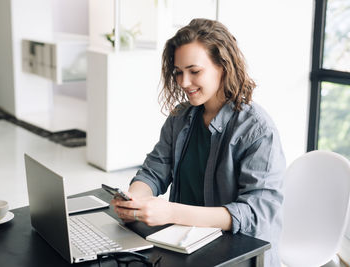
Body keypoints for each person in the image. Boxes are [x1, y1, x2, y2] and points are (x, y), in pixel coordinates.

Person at [111, 18, 286, 267]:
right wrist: (134, 201)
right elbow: (154, 171)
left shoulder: (256, 129)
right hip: (185, 247)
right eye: (179, 72)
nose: (183, 82)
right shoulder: (181, 117)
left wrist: (170, 212)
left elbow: (255, 213)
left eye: (194, 71)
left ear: (223, 66)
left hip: (237, 256)